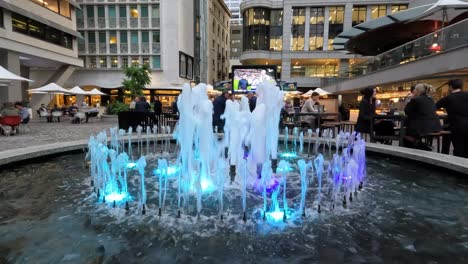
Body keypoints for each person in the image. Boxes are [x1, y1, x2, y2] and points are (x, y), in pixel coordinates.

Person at [436, 79, 468, 158]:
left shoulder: (448, 98)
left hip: (456, 126)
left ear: (450, 87)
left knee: (458, 149)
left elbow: (434, 107)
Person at [404, 83, 441, 150]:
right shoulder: (431, 99)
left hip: (422, 128)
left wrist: (411, 99)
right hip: (433, 127)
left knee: (404, 132)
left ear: (418, 91)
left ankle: (413, 148)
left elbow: (406, 111)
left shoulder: (415, 99)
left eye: (414, 89)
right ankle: (420, 144)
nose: (413, 91)